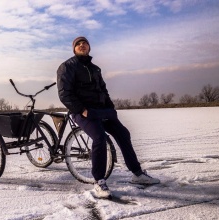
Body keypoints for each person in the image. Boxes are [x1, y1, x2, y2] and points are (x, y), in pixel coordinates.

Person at [56, 36, 160, 199]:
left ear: (89, 48)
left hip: (102, 110)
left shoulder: (95, 69)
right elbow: (64, 94)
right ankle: (99, 181)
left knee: (123, 133)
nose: (82, 45)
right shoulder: (67, 67)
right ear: (74, 49)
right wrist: (81, 110)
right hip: (83, 112)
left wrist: (111, 108)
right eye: (78, 44)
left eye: (85, 43)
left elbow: (103, 91)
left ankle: (137, 174)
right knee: (99, 138)